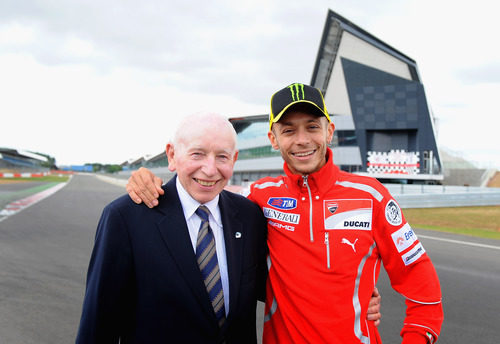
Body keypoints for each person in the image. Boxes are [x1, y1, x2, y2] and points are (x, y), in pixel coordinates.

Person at [132, 83, 441, 343]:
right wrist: (150, 181)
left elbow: (418, 274)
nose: (302, 140)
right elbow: (201, 192)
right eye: (289, 130)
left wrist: (416, 336)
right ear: (273, 139)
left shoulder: (372, 196)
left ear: (329, 131)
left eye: (312, 127)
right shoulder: (258, 197)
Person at [76, 113, 268, 343]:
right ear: (172, 155)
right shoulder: (125, 217)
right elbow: (98, 322)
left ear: (234, 159)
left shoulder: (249, 216)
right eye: (197, 154)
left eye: (222, 157)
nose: (210, 169)